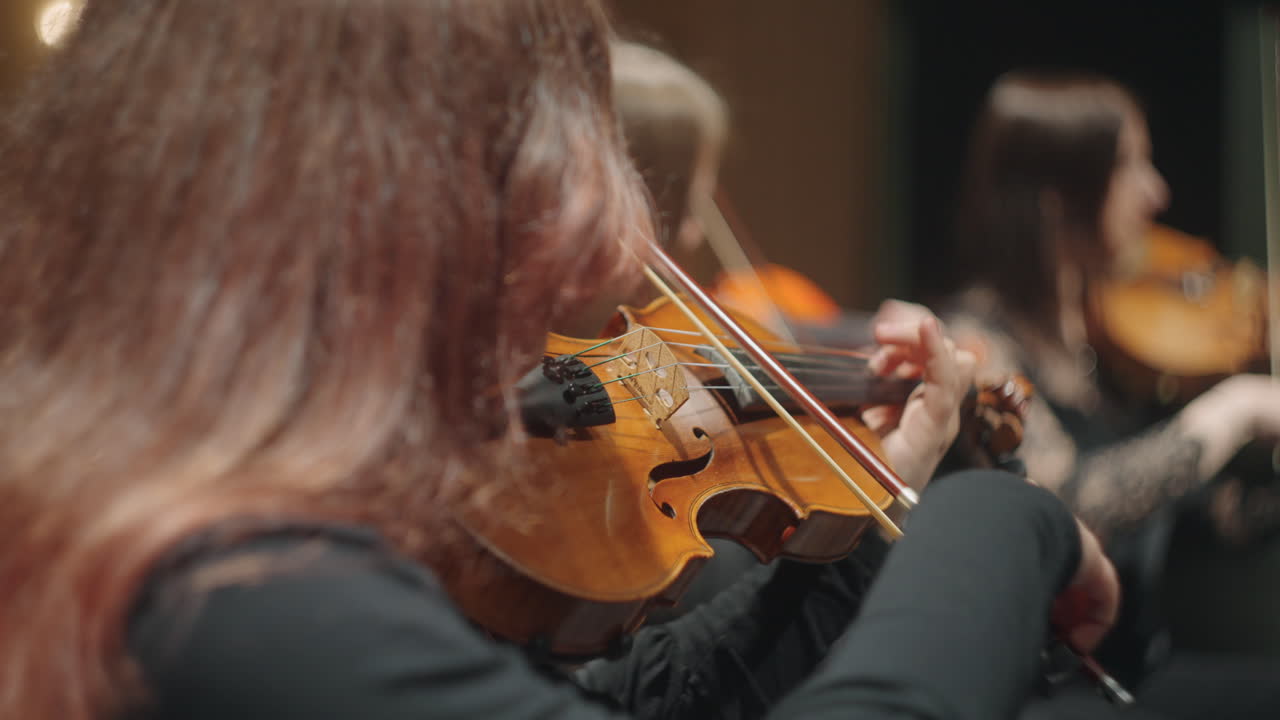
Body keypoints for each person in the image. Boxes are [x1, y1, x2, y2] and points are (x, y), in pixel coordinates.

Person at [0, 3, 1124, 720]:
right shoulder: (237, 600)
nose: (565, 304)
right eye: (517, 235)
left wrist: (904, 477)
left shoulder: (177, 524)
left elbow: (614, 701)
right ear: (375, 231)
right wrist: (1000, 527)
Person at [929, 70, 1280, 717]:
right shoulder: (976, 345)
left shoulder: (1103, 341)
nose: (1157, 192)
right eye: (1131, 166)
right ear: (1057, 196)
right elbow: (1069, 505)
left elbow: (1207, 515)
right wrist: (1236, 408)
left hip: (1139, 666)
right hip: (1050, 687)